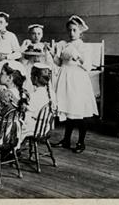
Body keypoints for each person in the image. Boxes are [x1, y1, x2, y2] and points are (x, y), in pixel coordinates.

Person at [50, 15, 98, 153]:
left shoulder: (84, 47)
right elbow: (60, 63)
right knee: (68, 110)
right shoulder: (65, 45)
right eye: (69, 30)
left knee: (78, 111)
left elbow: (88, 66)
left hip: (77, 80)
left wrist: (77, 57)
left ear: (80, 31)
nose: (71, 33)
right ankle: (66, 140)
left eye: (74, 30)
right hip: (65, 78)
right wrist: (53, 55)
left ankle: (81, 142)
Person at [0, 60, 30, 147]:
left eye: (2, 73)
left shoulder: (4, 94)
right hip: (16, 132)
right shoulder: (24, 93)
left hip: (3, 134)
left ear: (10, 78)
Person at [24, 62, 56, 140]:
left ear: (35, 78)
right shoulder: (52, 93)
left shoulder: (34, 95)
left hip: (35, 128)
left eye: (31, 75)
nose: (30, 77)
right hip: (45, 127)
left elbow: (27, 109)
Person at [20, 23, 54, 88]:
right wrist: (26, 57)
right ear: (30, 35)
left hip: (41, 70)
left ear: (42, 35)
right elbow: (21, 62)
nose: (36, 36)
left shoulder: (44, 46)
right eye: (34, 33)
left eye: (39, 34)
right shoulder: (27, 45)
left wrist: (43, 59)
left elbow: (49, 62)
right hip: (30, 69)